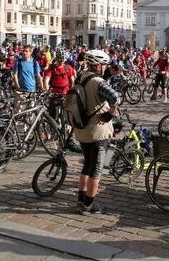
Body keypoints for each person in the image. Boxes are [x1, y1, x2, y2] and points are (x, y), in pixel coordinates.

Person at [74, 50, 119, 214]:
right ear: (98, 65)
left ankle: (80, 200)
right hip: (98, 132)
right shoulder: (98, 82)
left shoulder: (80, 77)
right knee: (97, 169)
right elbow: (116, 97)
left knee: (87, 165)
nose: (105, 67)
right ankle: (89, 205)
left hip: (81, 129)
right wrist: (110, 113)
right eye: (104, 64)